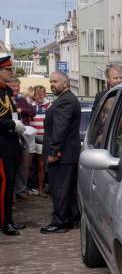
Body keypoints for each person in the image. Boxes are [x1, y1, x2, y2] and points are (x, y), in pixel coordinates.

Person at [40, 71, 82, 234]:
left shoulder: (65, 102)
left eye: (55, 82)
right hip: (68, 155)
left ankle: (60, 222)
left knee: (60, 190)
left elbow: (60, 129)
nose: (52, 85)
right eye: (51, 82)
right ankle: (72, 219)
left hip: (62, 155)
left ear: (66, 83)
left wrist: (53, 150)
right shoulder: (68, 99)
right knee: (69, 190)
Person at [0, 56, 27, 235]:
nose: (11, 72)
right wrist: (12, 125)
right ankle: (4, 223)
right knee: (4, 185)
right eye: (8, 70)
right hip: (1, 146)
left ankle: (9, 219)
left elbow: (12, 113)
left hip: (11, 144)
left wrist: (18, 124)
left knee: (10, 185)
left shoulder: (7, 91)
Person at [8, 77, 36, 200]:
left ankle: (21, 191)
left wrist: (22, 110)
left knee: (24, 164)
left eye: (18, 86)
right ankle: (11, 192)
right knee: (11, 165)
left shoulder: (22, 100)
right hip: (9, 136)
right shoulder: (6, 99)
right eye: (14, 86)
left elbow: (32, 111)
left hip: (23, 135)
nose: (16, 88)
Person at [30, 86, 50, 197]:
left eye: (42, 93)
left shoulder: (49, 106)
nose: (40, 96)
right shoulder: (30, 107)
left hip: (44, 140)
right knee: (34, 166)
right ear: (34, 95)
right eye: (38, 94)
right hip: (33, 139)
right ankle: (33, 187)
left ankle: (41, 188)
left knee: (42, 166)